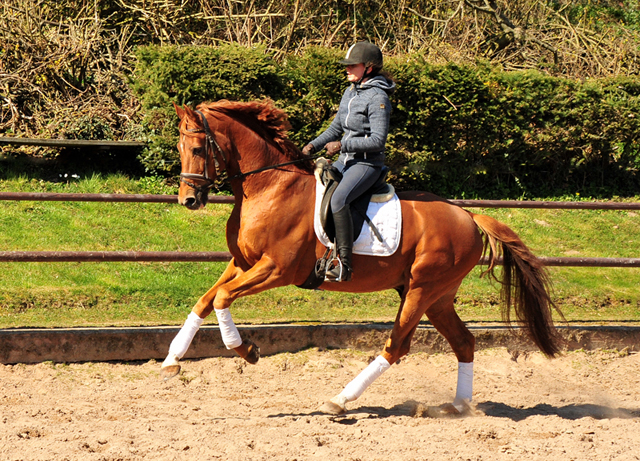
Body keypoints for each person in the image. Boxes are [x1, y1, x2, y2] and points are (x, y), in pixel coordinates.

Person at [302, 41, 396, 282]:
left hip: (367, 165)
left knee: (340, 199)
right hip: (346, 161)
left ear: (369, 68)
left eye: (353, 65)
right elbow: (336, 128)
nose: (347, 69)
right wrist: (313, 144)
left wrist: (343, 145)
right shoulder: (351, 92)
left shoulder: (377, 97)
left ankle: (343, 264)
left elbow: (377, 140)